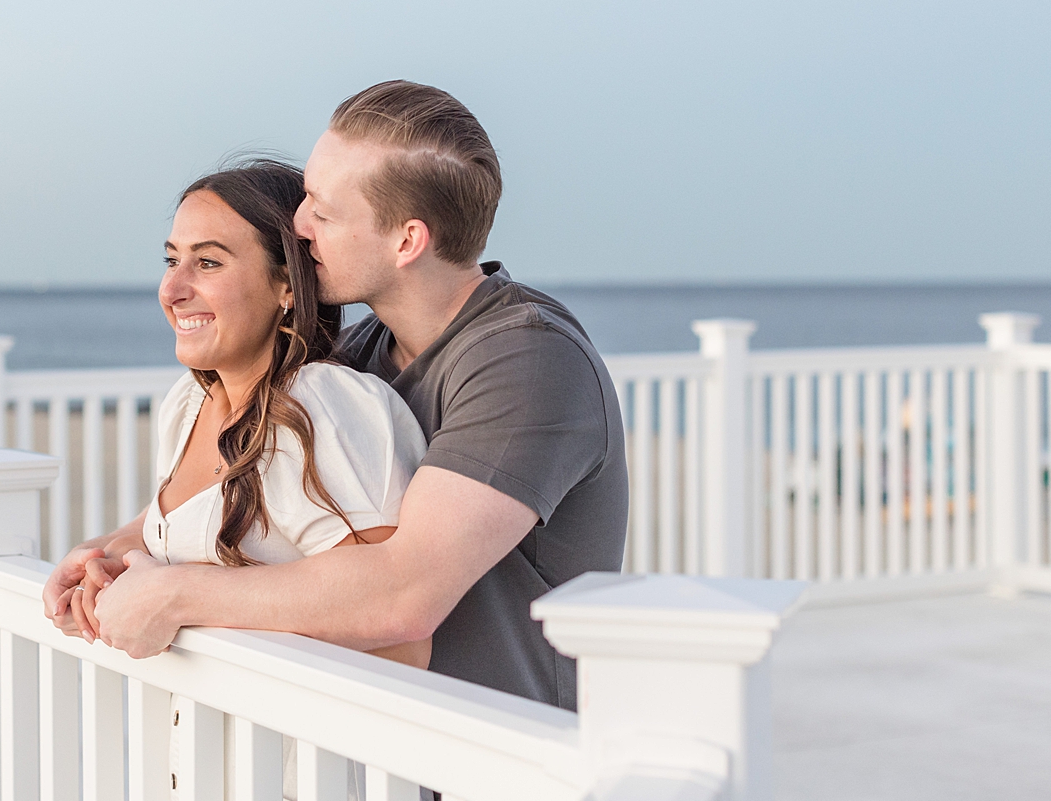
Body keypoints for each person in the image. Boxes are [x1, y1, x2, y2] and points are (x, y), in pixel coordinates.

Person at [46, 80, 627, 714]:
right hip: (404, 753)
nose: (298, 226)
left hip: (508, 758)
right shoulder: (360, 352)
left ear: (407, 241)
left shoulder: (529, 360)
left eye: (322, 211)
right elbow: (227, 486)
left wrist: (177, 595)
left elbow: (404, 591)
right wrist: (112, 551)